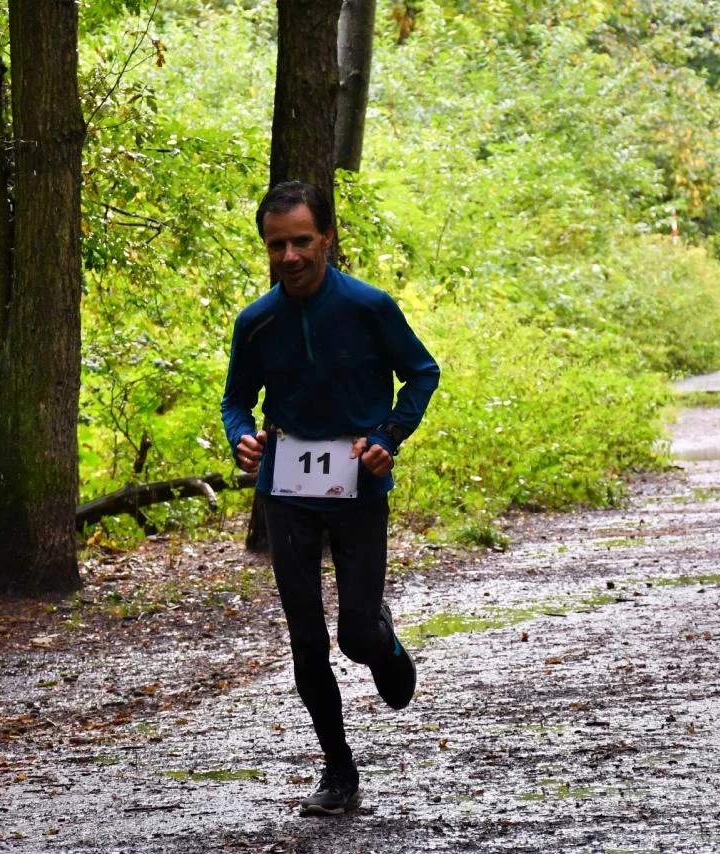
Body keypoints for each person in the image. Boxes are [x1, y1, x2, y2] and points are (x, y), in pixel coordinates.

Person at [220, 180, 440, 816]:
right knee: (307, 640)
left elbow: (421, 372)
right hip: (286, 492)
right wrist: (242, 439)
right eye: (276, 245)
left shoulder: (369, 306)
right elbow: (236, 400)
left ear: (327, 239)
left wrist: (388, 437)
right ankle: (338, 773)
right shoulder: (257, 322)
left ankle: (382, 641)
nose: (289, 257)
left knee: (355, 637)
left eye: (301, 242)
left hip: (359, 488)